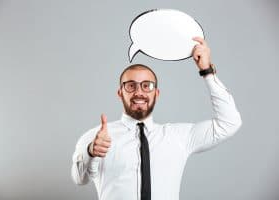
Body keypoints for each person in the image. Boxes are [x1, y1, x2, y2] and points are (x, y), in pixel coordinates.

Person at [71, 37, 242, 200]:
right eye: (131, 86)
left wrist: (207, 71)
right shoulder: (95, 138)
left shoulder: (179, 136)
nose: (139, 92)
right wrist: (91, 151)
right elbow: (79, 179)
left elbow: (230, 123)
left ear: (156, 93)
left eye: (147, 86)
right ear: (120, 93)